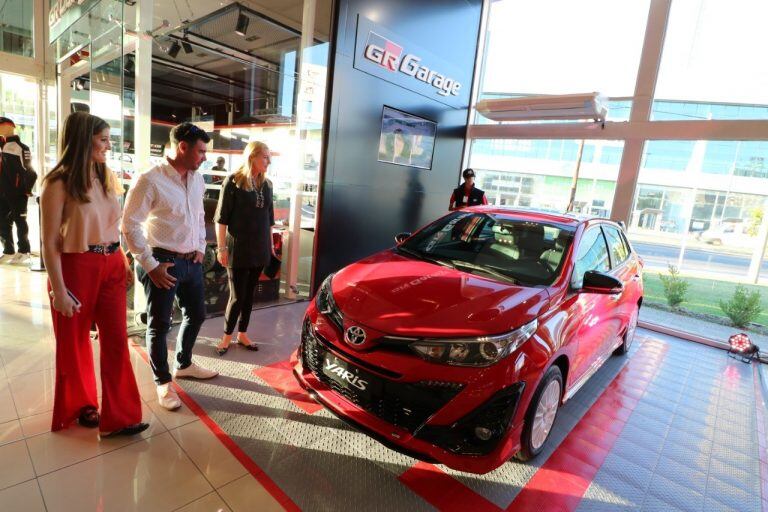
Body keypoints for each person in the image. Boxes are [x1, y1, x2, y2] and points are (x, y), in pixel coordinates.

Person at [40, 112, 147, 437]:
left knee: (116, 340)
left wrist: (123, 259)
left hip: (111, 262)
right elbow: (48, 243)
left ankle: (122, 416)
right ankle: (82, 405)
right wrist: (59, 290)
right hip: (76, 267)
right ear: (84, 140)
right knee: (74, 345)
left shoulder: (105, 175)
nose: (109, 145)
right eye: (103, 139)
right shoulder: (57, 183)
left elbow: (111, 222)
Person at [122, 122, 218, 411]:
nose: (204, 157)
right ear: (182, 147)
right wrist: (150, 264)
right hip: (162, 262)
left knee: (197, 314)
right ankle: (163, 382)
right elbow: (129, 224)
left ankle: (184, 364)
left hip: (191, 261)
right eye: (200, 151)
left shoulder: (197, 179)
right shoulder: (150, 179)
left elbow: (199, 217)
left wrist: (201, 248)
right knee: (160, 324)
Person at [214, 141, 275, 355]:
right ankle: (226, 337)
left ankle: (242, 333)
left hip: (260, 248)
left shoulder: (267, 185)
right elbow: (221, 219)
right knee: (237, 296)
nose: (269, 161)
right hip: (237, 248)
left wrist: (271, 248)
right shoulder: (232, 182)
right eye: (265, 157)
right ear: (252, 157)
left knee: (249, 295)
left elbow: (269, 219)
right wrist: (221, 249)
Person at [0, 116, 37, 264]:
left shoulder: (21, 148)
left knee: (20, 221)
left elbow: (30, 171)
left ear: (8, 126)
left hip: (17, 193)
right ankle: (8, 250)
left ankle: (24, 251)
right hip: (2, 192)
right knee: (2, 222)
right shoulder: (2, 146)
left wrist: (25, 189)